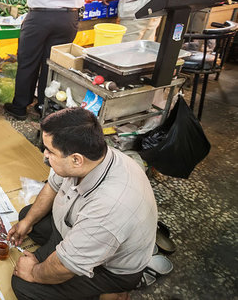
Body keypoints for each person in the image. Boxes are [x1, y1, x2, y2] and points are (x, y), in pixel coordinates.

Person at [8, 108, 157, 300]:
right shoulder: (91, 155)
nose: (45, 155)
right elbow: (52, 186)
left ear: (76, 160)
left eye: (50, 151)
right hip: (73, 229)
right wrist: (27, 222)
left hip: (108, 269)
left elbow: (65, 266)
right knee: (28, 218)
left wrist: (34, 272)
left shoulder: (109, 205)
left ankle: (111, 292)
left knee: (23, 285)